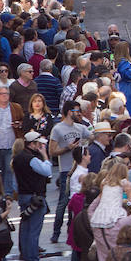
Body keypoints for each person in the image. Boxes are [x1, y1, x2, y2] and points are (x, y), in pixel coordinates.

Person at [50, 100, 93, 243]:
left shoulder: (80, 128)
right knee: (63, 201)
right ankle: (56, 231)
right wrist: (67, 148)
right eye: (76, 111)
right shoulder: (58, 129)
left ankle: (71, 229)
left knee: (77, 200)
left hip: (80, 168)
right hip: (66, 170)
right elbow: (52, 151)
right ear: (69, 112)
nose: (79, 113)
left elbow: (92, 136)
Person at [13, 130, 53, 261]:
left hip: (24, 196)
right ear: (33, 144)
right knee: (33, 230)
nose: (40, 147)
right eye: (38, 144)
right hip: (35, 197)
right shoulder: (32, 159)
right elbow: (47, 171)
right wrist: (45, 156)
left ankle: (26, 255)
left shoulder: (18, 158)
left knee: (25, 228)